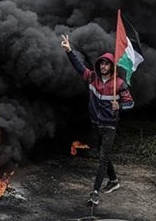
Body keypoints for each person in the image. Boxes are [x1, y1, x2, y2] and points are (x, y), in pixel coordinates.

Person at [60, 34, 134, 207]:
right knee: (103, 154)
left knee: (102, 158)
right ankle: (114, 180)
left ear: (112, 66)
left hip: (109, 126)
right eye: (101, 63)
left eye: (106, 63)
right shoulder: (93, 77)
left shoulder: (120, 84)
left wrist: (120, 107)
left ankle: (95, 193)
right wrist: (69, 51)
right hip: (95, 124)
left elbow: (130, 103)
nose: (103, 66)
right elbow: (80, 68)